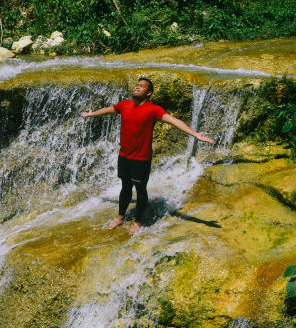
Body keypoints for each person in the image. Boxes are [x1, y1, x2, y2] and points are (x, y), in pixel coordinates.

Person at [80, 77, 215, 235]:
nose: (137, 87)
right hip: (124, 156)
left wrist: (195, 134)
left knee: (140, 189)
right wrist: (92, 114)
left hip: (141, 159)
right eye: (137, 85)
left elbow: (173, 121)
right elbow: (109, 110)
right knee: (125, 187)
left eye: (142, 86)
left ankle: (138, 222)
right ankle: (120, 217)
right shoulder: (124, 105)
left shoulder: (154, 109)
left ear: (148, 93)